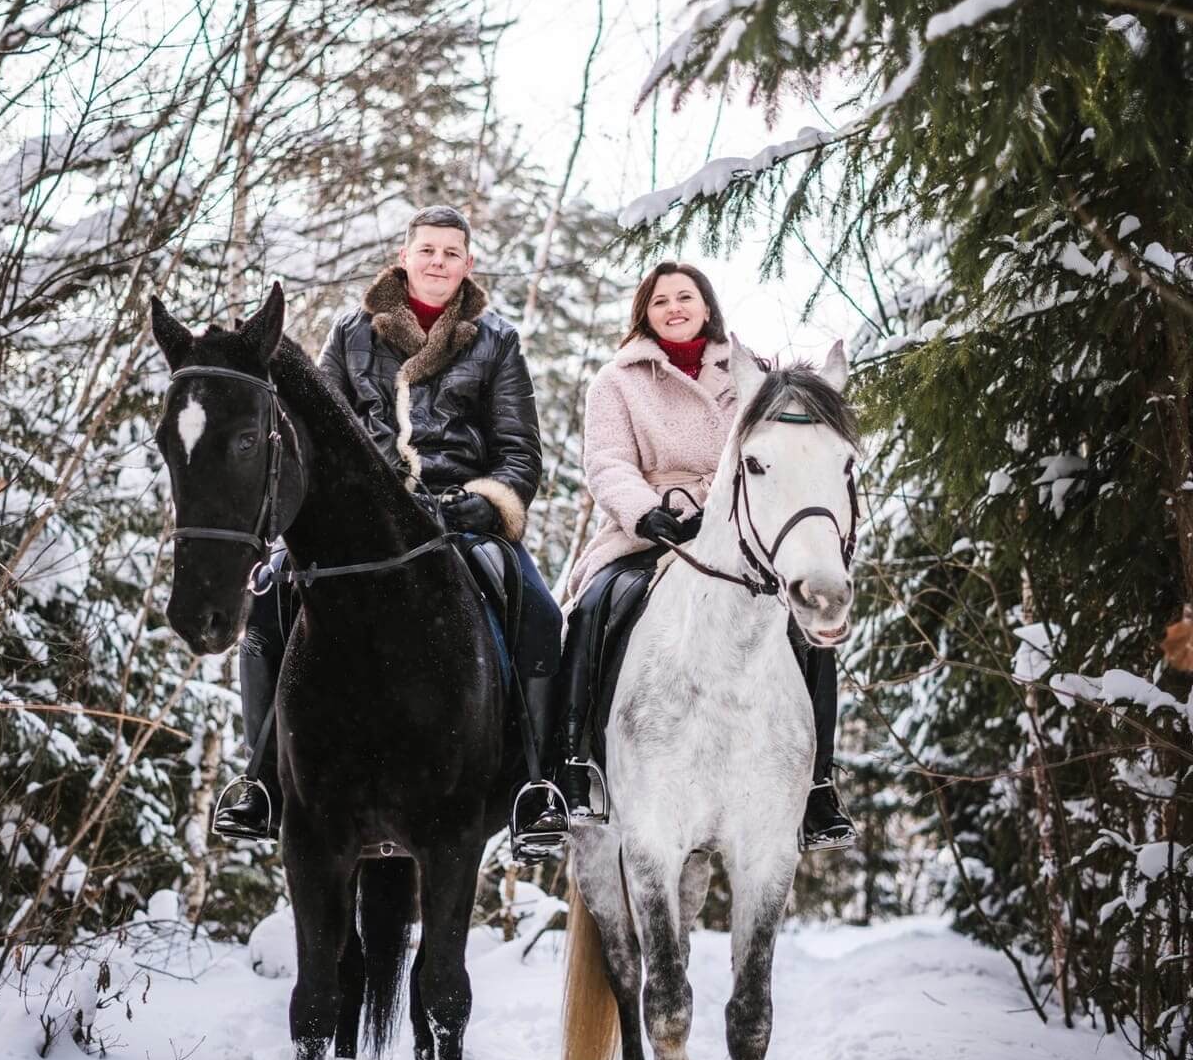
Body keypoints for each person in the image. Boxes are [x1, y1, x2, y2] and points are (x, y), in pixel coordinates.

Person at [213, 205, 568, 851]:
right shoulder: (351, 334)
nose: (437, 262)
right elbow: (311, 429)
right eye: (426, 250)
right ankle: (261, 783)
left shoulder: (497, 341)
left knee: (541, 613)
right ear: (404, 257)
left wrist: (485, 502)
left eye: (450, 252)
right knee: (267, 602)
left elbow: (521, 452)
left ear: (468, 264)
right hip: (364, 522)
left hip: (458, 519)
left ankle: (536, 788)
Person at [557, 260, 855, 849]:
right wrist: (644, 510)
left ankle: (816, 786)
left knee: (806, 629)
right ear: (644, 312)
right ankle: (573, 769)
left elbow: (788, 453)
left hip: (739, 534)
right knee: (593, 607)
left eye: (685, 297)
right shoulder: (616, 382)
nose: (674, 307)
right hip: (648, 532)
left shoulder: (753, 374)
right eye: (661, 299)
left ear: (706, 305)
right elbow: (607, 461)